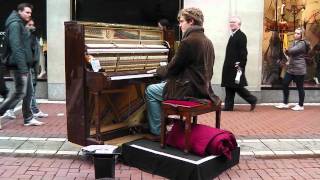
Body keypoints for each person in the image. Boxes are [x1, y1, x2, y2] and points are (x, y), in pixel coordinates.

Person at [145, 7, 220, 138]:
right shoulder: (208, 41)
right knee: (164, 83)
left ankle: (158, 132)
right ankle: (167, 123)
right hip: (204, 88)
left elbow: (171, 69)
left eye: (181, 21)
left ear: (191, 21)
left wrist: (157, 70)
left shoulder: (188, 41)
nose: (179, 25)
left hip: (189, 91)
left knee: (150, 90)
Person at [0, 3, 44, 129]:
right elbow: (16, 47)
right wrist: (23, 67)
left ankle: (28, 118)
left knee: (29, 93)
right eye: (27, 12)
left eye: (30, 13)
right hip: (19, 66)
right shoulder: (14, 24)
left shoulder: (20, 24)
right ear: (19, 12)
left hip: (25, 65)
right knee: (19, 93)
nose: (29, 15)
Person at [221, 16, 257, 111]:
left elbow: (243, 52)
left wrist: (240, 64)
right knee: (229, 86)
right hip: (230, 67)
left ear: (239, 24)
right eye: (230, 22)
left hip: (237, 67)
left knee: (237, 86)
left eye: (234, 22)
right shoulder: (233, 35)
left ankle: (252, 99)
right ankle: (228, 106)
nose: (231, 23)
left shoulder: (241, 36)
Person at [275, 27, 310, 111]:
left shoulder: (302, 43)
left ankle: (301, 105)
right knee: (285, 83)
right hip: (291, 68)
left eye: (298, 33)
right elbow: (291, 54)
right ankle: (285, 103)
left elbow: (292, 51)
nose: (295, 34)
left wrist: (287, 50)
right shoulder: (294, 42)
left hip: (299, 69)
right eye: (295, 33)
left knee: (300, 87)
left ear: (302, 35)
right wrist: (288, 61)